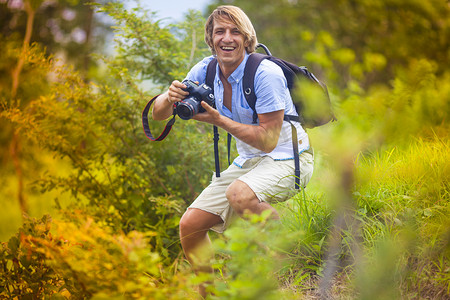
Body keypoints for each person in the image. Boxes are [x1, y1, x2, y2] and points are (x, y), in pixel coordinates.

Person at [152, 4, 314, 295]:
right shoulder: (205, 69)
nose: (227, 38)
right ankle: (209, 294)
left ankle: (291, 260)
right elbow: (159, 115)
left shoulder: (266, 74)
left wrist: (219, 120)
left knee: (238, 193)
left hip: (290, 157)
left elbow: (267, 140)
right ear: (210, 38)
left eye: (235, 32)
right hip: (250, 160)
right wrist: (169, 95)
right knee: (190, 226)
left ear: (247, 39)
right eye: (220, 32)